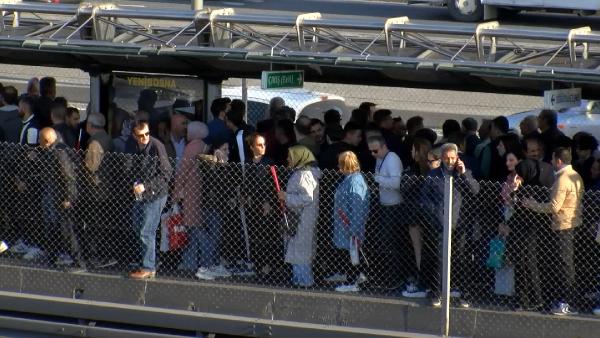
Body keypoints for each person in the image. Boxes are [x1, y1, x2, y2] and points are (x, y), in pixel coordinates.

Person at [523, 147, 584, 315]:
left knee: (565, 265)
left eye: (552, 159)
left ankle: (568, 302)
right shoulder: (575, 175)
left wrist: (531, 204)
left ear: (558, 160)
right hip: (574, 223)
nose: (550, 162)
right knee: (568, 264)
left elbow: (554, 206)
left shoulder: (562, 179)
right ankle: (568, 301)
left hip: (563, 225)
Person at [422, 143, 479, 307]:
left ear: (457, 158)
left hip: (459, 225)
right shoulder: (433, 175)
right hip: (440, 224)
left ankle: (464, 293)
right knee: (439, 259)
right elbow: (425, 200)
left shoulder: (463, 173)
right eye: (446, 158)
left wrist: (463, 174)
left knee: (461, 258)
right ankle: (436, 292)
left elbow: (475, 190)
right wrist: (437, 214)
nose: (449, 161)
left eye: (452, 158)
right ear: (441, 158)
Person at [499, 154, 553, 312]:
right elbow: (514, 204)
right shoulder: (524, 187)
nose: (519, 178)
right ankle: (523, 299)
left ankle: (536, 299)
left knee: (530, 265)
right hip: (521, 232)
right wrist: (515, 190)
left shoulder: (540, 187)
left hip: (532, 233)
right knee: (521, 265)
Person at [126, 121, 172, 279]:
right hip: (140, 193)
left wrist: (146, 185)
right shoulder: (133, 146)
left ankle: (148, 266)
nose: (144, 137)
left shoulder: (156, 146)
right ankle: (148, 261)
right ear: (134, 136)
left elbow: (166, 173)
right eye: (140, 135)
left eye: (147, 133)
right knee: (138, 226)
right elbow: (130, 168)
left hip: (156, 194)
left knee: (147, 231)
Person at [37, 127, 86, 272]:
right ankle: (52, 257)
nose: (39, 143)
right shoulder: (56, 149)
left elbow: (69, 177)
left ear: (46, 140)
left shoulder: (59, 152)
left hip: (62, 197)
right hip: (57, 195)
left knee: (66, 230)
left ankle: (78, 262)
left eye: (40, 140)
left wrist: (68, 198)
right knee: (54, 228)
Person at [192, 139, 234, 280]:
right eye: (224, 149)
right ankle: (205, 266)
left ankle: (214, 265)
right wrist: (216, 162)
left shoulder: (224, 166)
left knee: (216, 238)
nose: (227, 153)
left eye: (228, 150)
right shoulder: (208, 163)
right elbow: (213, 182)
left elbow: (226, 187)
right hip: (208, 206)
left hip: (218, 207)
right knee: (211, 238)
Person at [279, 145, 321, 287]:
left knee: (300, 253)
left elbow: (306, 198)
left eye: (290, 157)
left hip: (302, 220)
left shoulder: (305, 175)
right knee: (299, 252)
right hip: (300, 219)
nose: (287, 159)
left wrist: (286, 197)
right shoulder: (303, 173)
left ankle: (304, 283)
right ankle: (300, 281)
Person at [173, 122, 212, 273]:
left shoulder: (192, 146)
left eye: (188, 130)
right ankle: (191, 262)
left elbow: (183, 171)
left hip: (190, 192)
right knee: (193, 229)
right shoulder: (202, 145)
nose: (186, 132)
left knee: (193, 229)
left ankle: (201, 261)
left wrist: (176, 192)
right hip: (198, 191)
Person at [80, 113, 117, 268]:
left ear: (90, 125)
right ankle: (104, 254)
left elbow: (90, 167)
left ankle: (97, 256)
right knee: (102, 223)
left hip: (96, 191)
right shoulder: (108, 138)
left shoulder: (94, 143)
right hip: (107, 188)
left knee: (94, 225)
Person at [330, 151, 370, 292]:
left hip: (349, 226)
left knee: (352, 254)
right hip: (346, 225)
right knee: (351, 253)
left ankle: (353, 282)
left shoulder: (354, 182)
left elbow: (357, 207)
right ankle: (355, 278)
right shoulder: (352, 180)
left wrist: (353, 229)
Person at [367, 135, 404, 288]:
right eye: (370, 151)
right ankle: (387, 275)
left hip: (393, 205)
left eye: (375, 151)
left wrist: (377, 180)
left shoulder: (392, 159)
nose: (373, 154)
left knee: (389, 241)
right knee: (383, 241)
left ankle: (395, 277)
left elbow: (396, 183)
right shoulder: (380, 158)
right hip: (384, 203)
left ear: (383, 147)